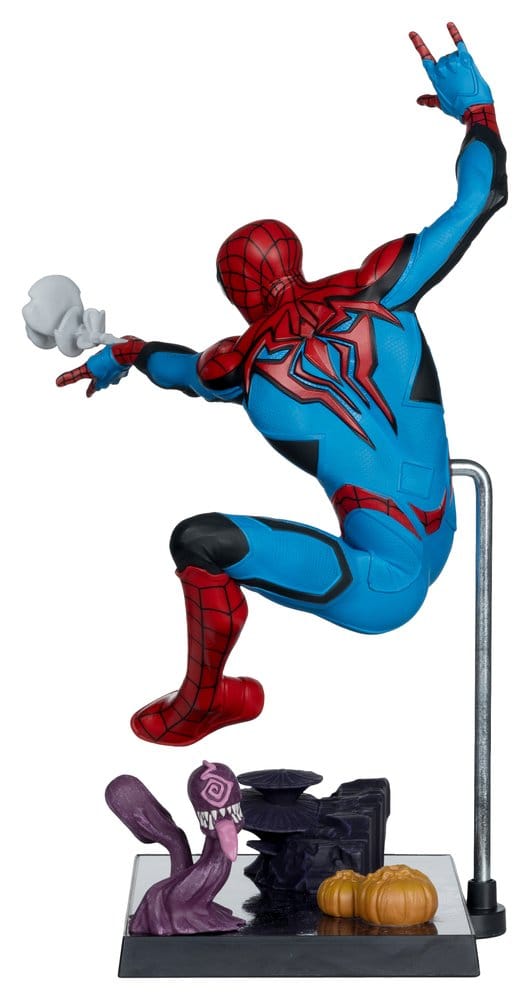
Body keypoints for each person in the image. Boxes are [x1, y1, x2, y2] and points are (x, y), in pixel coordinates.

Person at [56, 24, 507, 747]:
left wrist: (123, 355)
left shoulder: (240, 365)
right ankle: (216, 696)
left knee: (198, 542)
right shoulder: (382, 288)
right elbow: (481, 198)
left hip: (378, 588)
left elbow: (177, 369)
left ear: (236, 294)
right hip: (442, 532)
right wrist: (477, 111)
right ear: (295, 254)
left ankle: (207, 700)